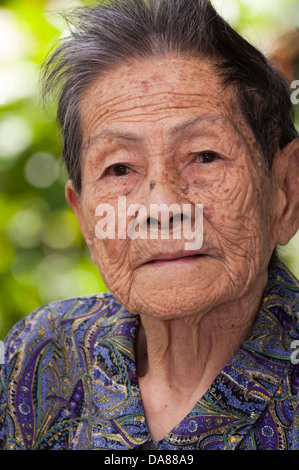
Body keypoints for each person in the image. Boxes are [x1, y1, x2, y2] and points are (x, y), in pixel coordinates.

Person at [0, 0, 299, 451]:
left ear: (286, 191)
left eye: (205, 156)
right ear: (83, 216)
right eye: (119, 169)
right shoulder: (40, 354)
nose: (162, 208)